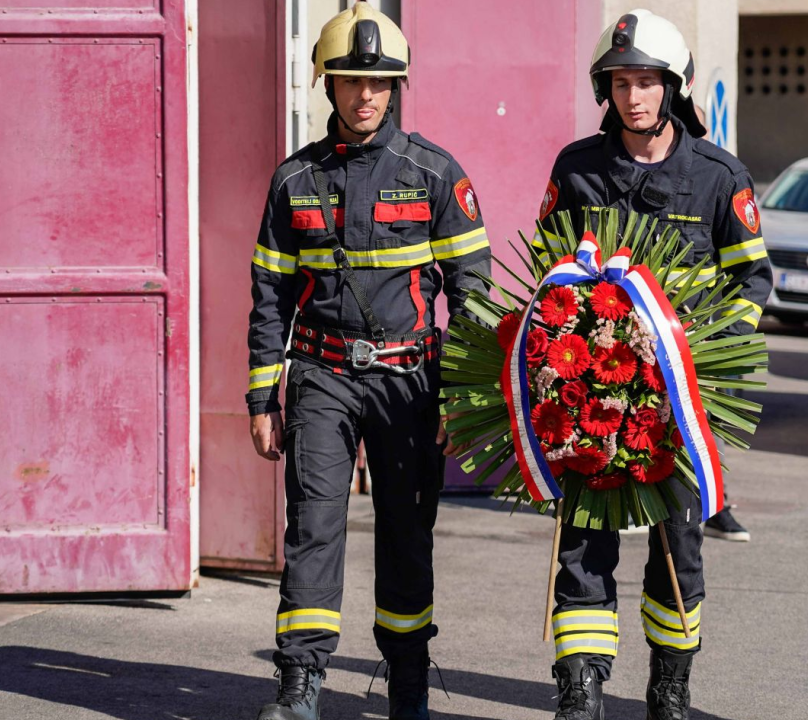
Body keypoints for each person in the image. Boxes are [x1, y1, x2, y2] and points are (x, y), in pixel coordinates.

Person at [245, 4, 489, 719]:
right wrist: (264, 397)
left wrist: (461, 397)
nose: (365, 95)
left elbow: (472, 298)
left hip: (410, 383)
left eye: (379, 83)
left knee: (405, 531)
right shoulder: (293, 180)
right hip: (321, 377)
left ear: (396, 88)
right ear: (328, 84)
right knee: (312, 526)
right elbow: (269, 295)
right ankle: (299, 686)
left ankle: (408, 685)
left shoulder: (436, 174)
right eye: (352, 80)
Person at [533, 9, 773, 719]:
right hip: (591, 400)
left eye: (645, 82)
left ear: (674, 87)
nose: (631, 97)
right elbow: (547, 275)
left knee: (680, 549)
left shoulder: (718, 176)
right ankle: (580, 689)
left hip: (675, 406)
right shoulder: (576, 169)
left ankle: (669, 687)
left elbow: (753, 283)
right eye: (618, 82)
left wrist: (705, 354)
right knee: (583, 544)